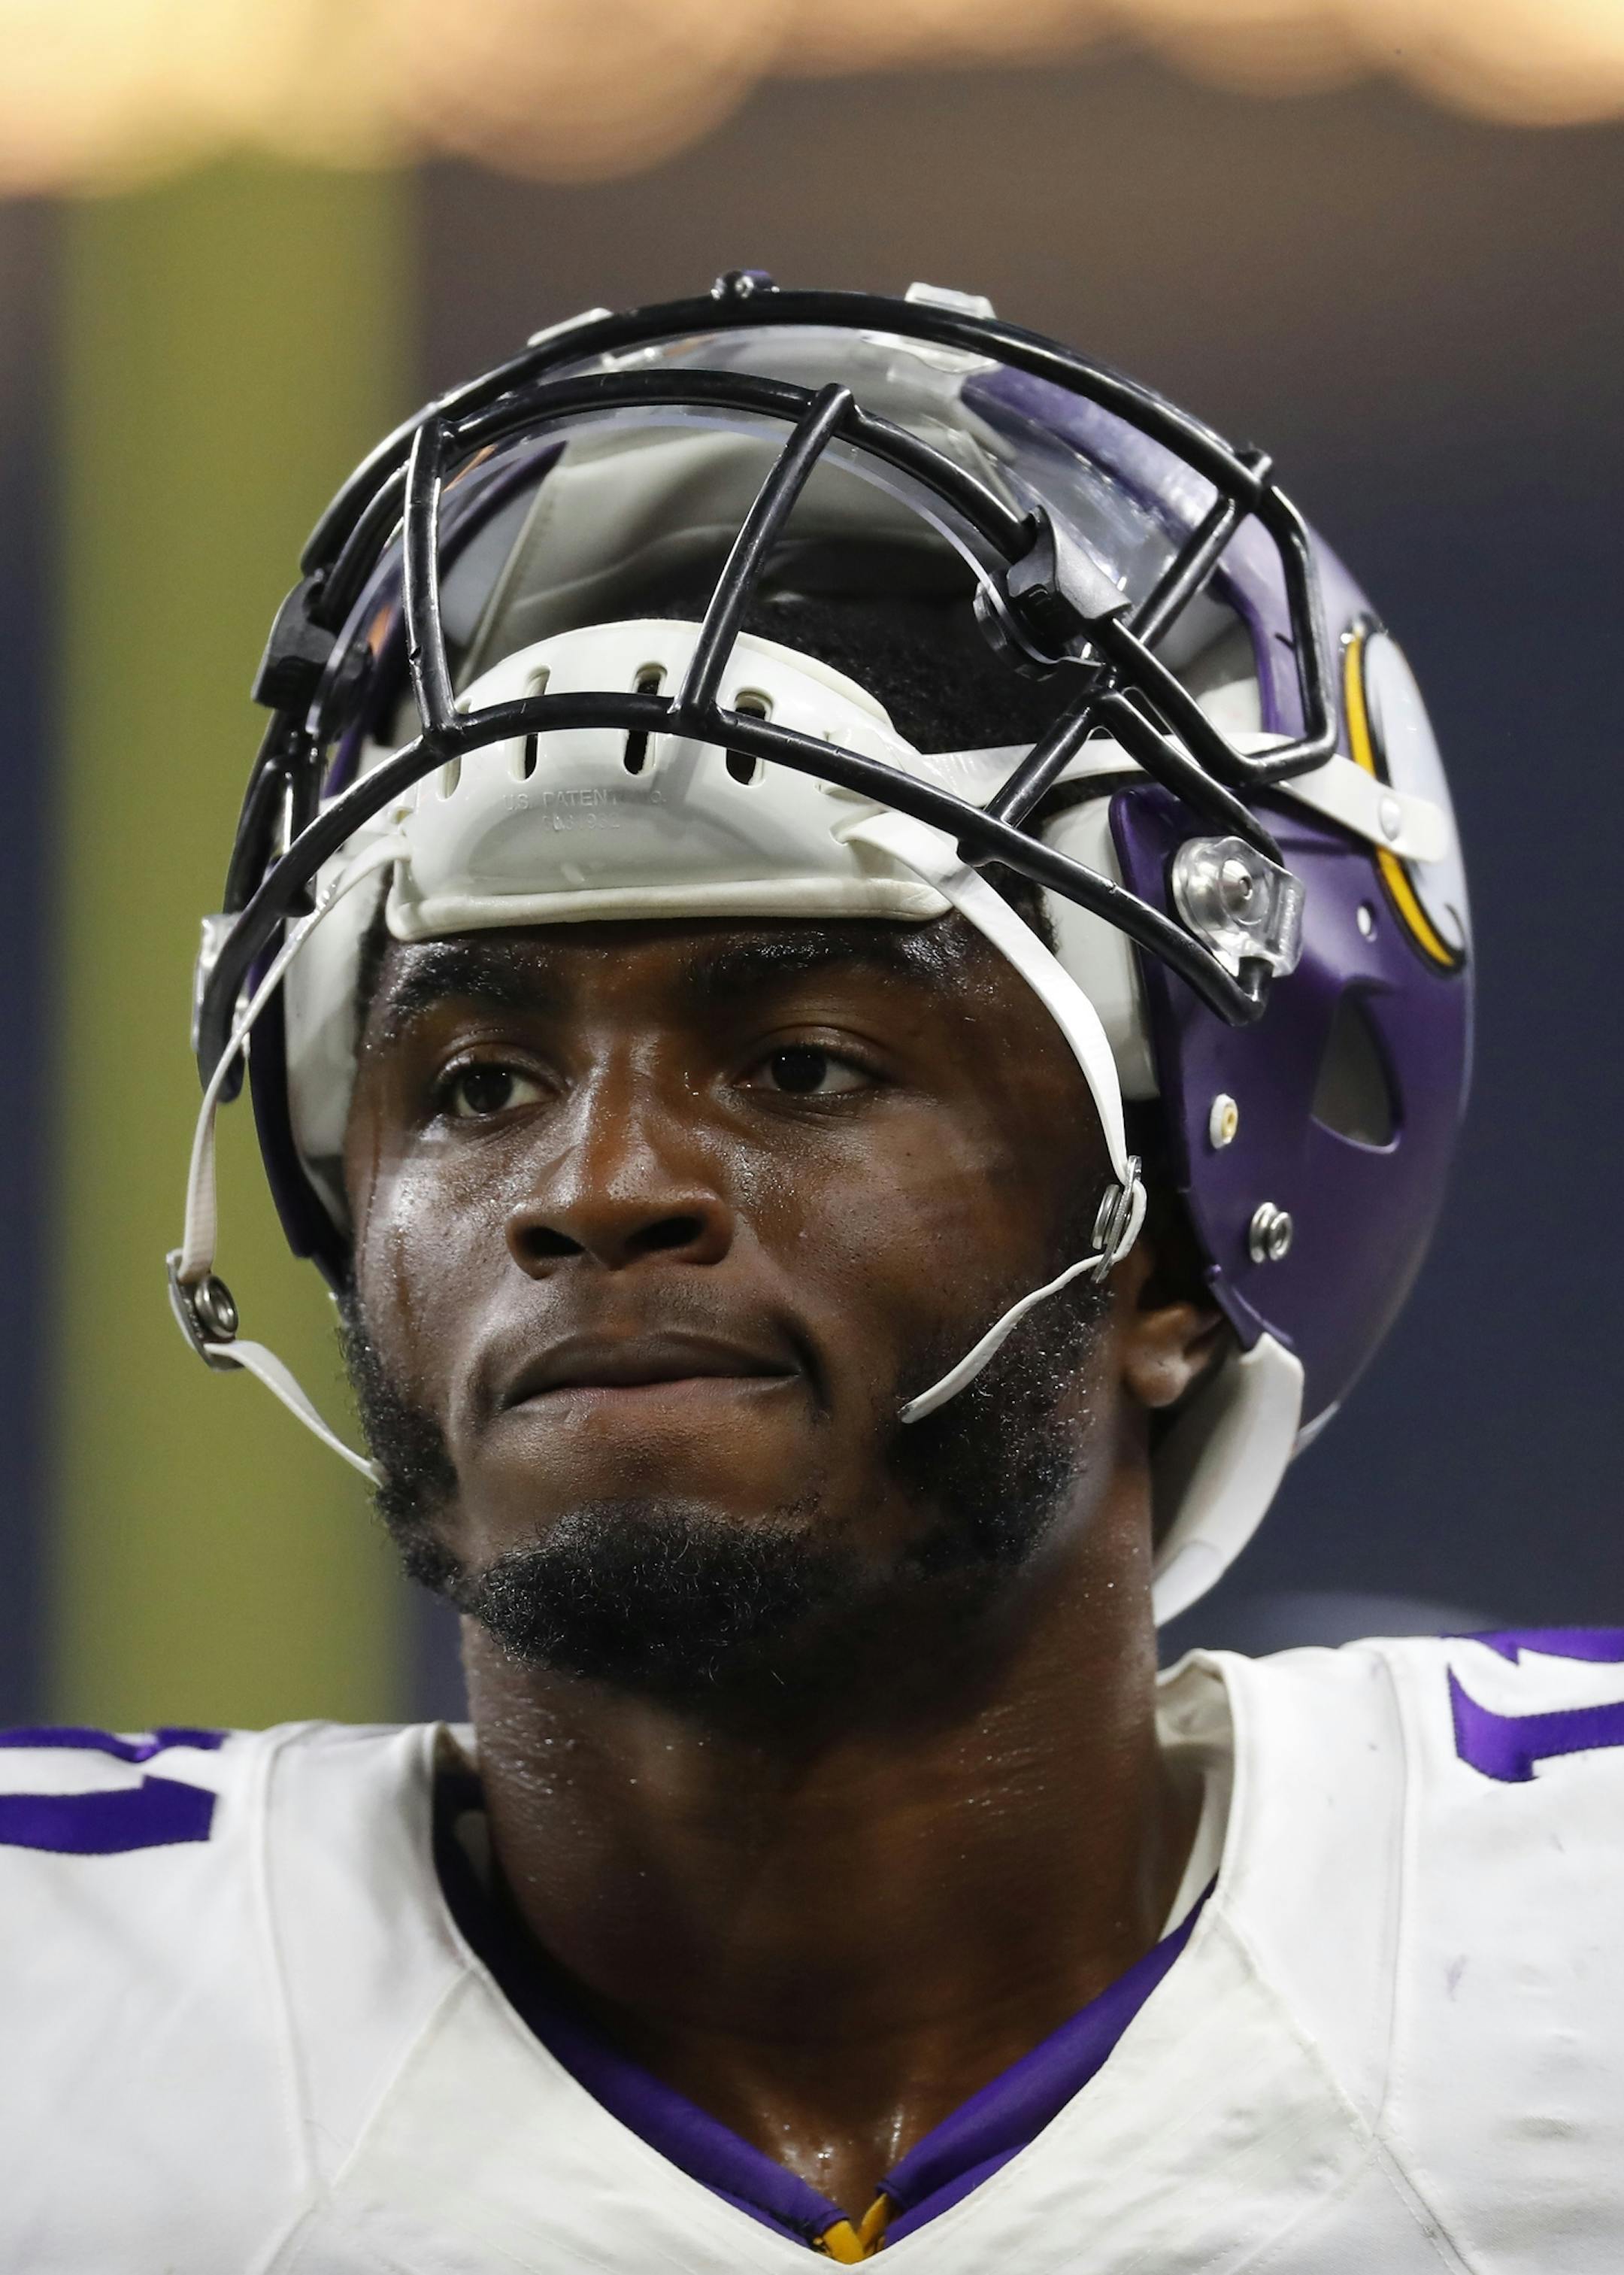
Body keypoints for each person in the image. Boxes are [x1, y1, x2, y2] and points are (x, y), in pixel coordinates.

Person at [4, 276, 1619, 2270]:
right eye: (481, 1077)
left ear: (1187, 1250)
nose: (593, 1189)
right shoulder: (56, 2032)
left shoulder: (1564, 1972)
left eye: (800, 1064)